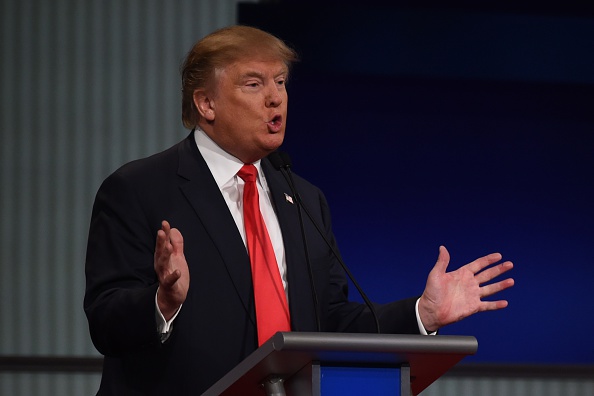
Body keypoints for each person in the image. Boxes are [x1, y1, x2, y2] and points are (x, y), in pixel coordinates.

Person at [84, 25, 514, 395]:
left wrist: (422, 313)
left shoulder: (304, 199)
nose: (276, 99)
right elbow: (105, 321)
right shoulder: (138, 188)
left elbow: (329, 324)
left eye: (281, 82)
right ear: (205, 104)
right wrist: (163, 302)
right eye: (254, 84)